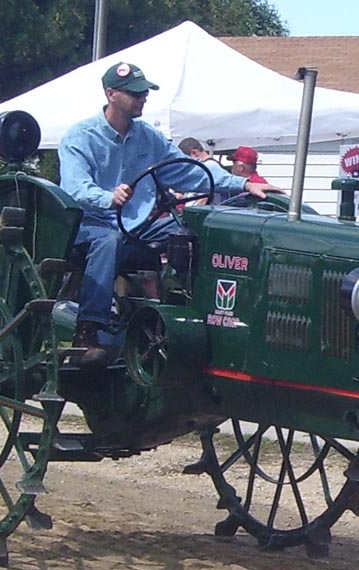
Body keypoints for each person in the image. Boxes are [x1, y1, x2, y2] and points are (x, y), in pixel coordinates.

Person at [58, 61, 279, 365]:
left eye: (144, 92)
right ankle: (88, 331)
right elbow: (74, 187)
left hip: (137, 225)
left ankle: (197, 316)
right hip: (91, 225)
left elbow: (188, 174)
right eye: (134, 93)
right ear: (111, 94)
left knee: (194, 229)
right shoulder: (81, 137)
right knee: (108, 240)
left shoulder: (149, 137)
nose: (142, 98)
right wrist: (108, 197)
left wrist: (243, 184)